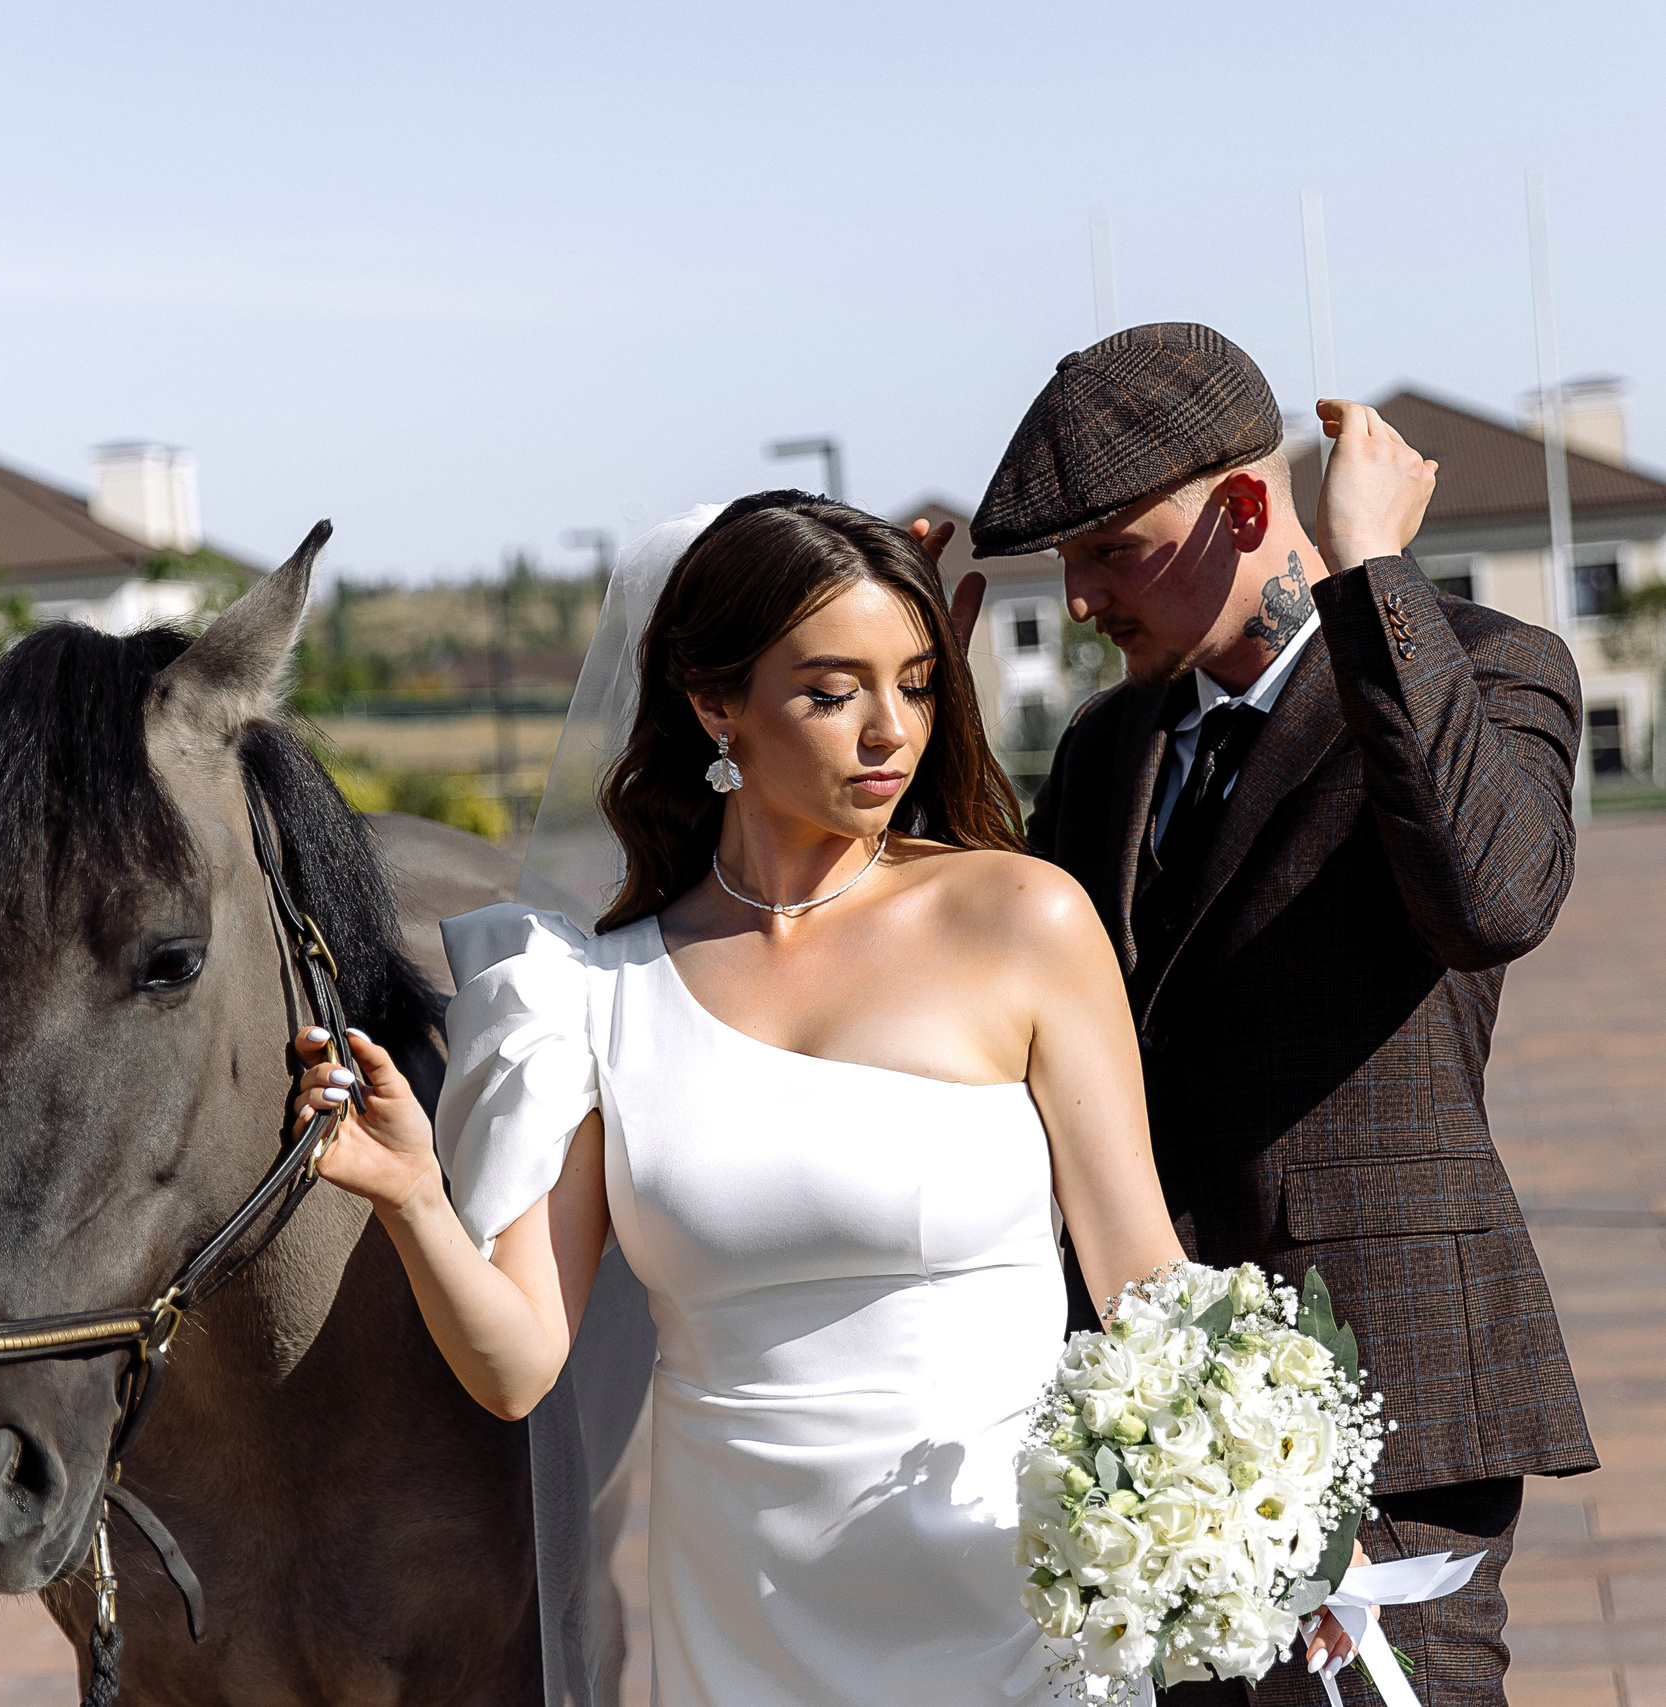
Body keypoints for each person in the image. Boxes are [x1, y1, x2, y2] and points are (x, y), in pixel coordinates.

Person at [288, 492, 1359, 1705]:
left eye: (916, 684)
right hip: (741, 1623)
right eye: (832, 691)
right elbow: (517, 1368)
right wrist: (412, 1197)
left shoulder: (1020, 920)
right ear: (714, 704)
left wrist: (1283, 1499)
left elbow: (1139, 1272)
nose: (889, 731)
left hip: (1012, 1600)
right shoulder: (590, 995)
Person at [955, 322, 1599, 1704]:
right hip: (1145, 1395)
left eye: (1109, 550)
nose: (1078, 598)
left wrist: (1369, 578)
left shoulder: (1481, 664)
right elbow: (999, 995)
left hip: (1388, 1378)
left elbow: (1491, 899)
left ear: (1246, 510)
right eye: (1063, 561)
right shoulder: (1107, 744)